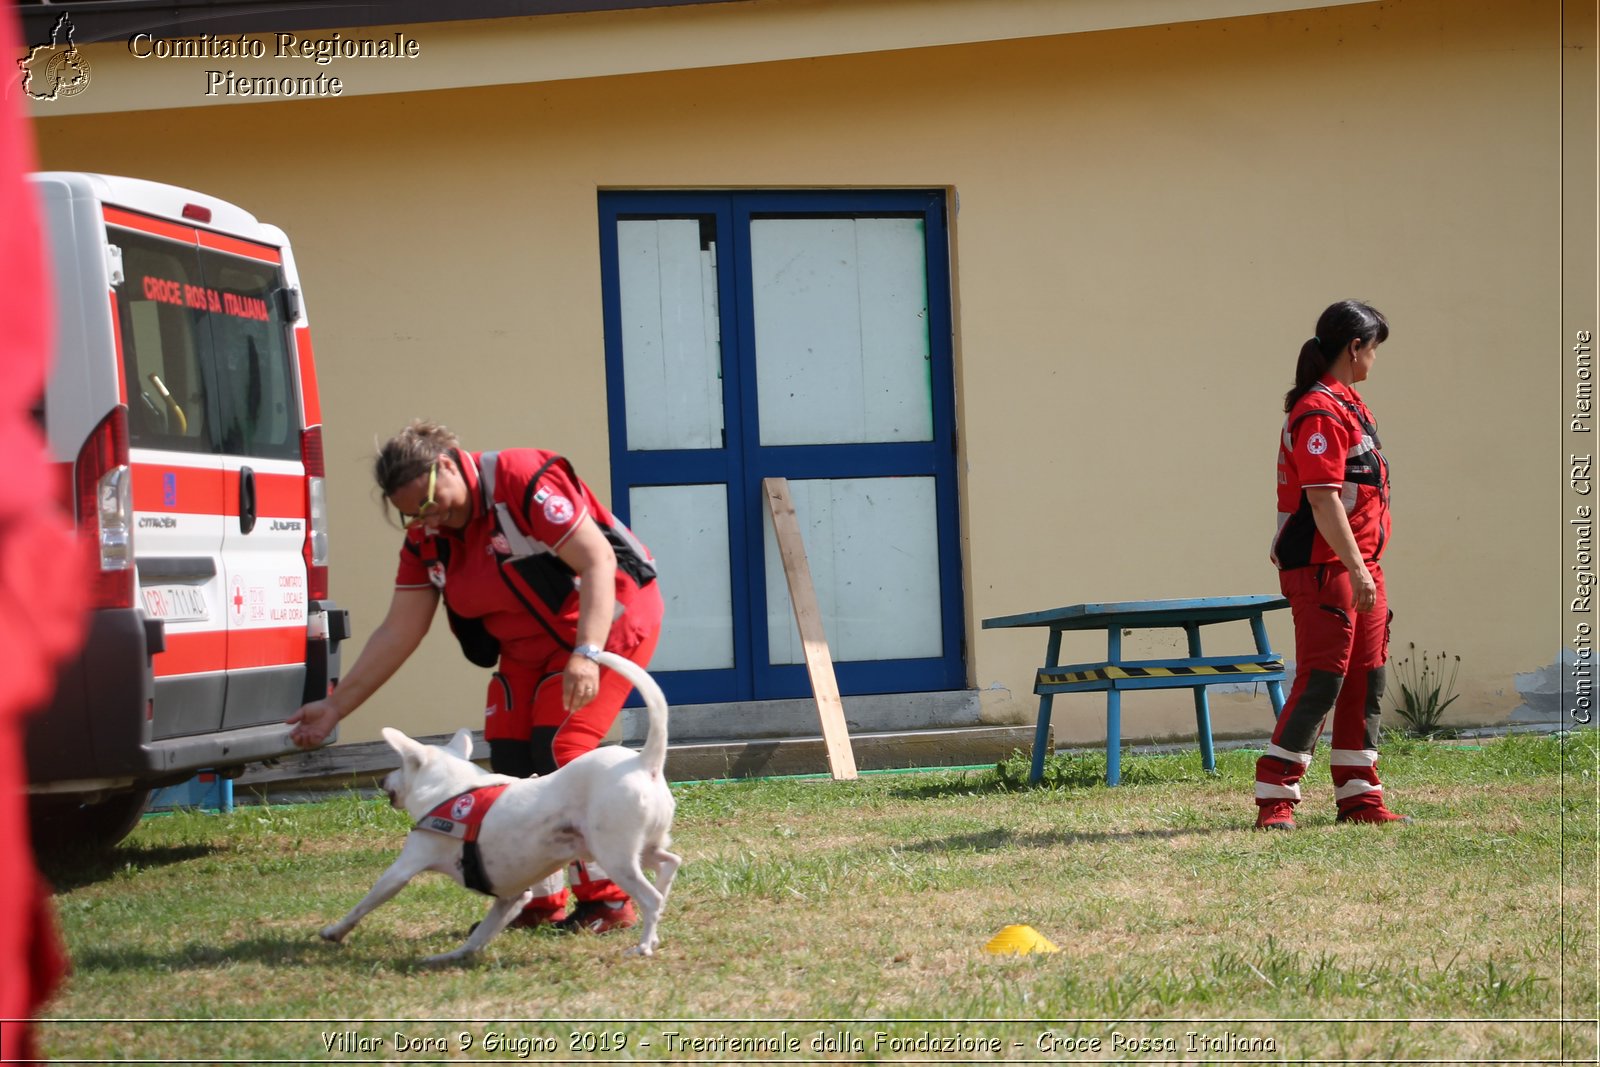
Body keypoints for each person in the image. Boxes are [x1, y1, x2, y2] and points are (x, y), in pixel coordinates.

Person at [288, 421, 663, 931]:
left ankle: (609, 899)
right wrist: (336, 706)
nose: (426, 518)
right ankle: (534, 898)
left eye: (429, 501)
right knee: (508, 759)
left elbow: (596, 560)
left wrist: (587, 655)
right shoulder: (426, 538)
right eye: (411, 513)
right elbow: (398, 631)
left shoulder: (520, 479)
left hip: (606, 624)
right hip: (528, 646)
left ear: (447, 463)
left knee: (561, 751)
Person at [1255, 300, 1407, 830]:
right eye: (1374, 349)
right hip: (1326, 566)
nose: (1374, 360)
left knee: (1368, 679)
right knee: (1322, 680)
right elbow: (1321, 501)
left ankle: (1360, 798)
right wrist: (1357, 569)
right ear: (1354, 347)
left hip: (1361, 563)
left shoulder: (1352, 406)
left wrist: (1366, 567)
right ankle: (1276, 796)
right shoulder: (1319, 410)